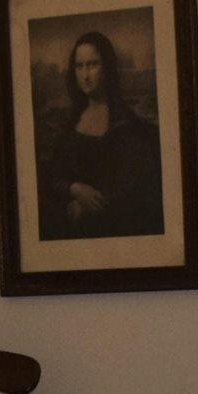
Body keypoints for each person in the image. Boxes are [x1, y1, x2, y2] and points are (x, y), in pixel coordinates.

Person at [38, 28, 163, 240]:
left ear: (107, 68)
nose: (85, 75)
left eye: (93, 65)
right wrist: (74, 188)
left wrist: (87, 206)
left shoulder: (125, 123)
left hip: (115, 231)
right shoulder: (70, 122)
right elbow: (52, 176)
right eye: (79, 66)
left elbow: (133, 185)